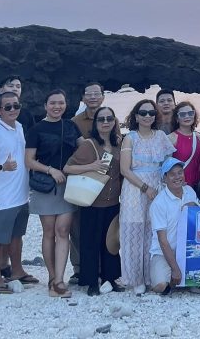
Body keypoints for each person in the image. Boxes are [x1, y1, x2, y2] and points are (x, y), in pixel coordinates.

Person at [0, 90, 36, 293]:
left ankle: (17, 271)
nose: (13, 110)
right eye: (8, 107)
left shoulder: (19, 127)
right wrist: (3, 167)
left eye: (16, 106)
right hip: (1, 198)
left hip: (21, 196)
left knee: (17, 236)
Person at [25, 89, 79, 297]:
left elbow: (84, 148)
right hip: (45, 185)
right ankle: (51, 276)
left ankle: (59, 280)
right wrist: (51, 170)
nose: (57, 107)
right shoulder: (36, 129)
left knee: (63, 230)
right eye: (53, 103)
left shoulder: (71, 126)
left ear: (66, 105)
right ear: (45, 106)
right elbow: (29, 161)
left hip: (68, 185)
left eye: (61, 103)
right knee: (48, 231)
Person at [65, 106, 123, 296]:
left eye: (109, 118)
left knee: (111, 243)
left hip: (113, 202)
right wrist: (91, 166)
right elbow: (68, 168)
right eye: (101, 119)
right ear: (95, 123)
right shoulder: (89, 145)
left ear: (114, 122)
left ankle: (110, 278)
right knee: (90, 243)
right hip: (92, 202)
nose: (106, 122)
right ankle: (91, 282)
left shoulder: (118, 144)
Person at [119, 98, 175, 294]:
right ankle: (136, 279)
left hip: (157, 188)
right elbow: (125, 169)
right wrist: (145, 188)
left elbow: (168, 164)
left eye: (151, 113)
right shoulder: (130, 138)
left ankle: (153, 276)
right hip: (135, 189)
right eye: (143, 113)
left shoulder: (161, 136)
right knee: (134, 231)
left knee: (154, 231)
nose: (147, 116)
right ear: (136, 116)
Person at [149, 157, 200, 296]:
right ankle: (178, 277)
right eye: (172, 174)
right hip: (165, 252)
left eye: (180, 172)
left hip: (189, 250)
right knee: (160, 286)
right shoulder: (158, 203)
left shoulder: (189, 191)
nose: (177, 177)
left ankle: (190, 282)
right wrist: (174, 268)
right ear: (165, 178)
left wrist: (194, 206)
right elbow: (162, 240)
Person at [69, 81, 105, 285]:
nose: (93, 97)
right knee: (77, 226)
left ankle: (101, 266)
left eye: (96, 94)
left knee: (102, 224)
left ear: (103, 97)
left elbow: (114, 145)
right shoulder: (74, 122)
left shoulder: (109, 117)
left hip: (103, 178)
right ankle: (78, 268)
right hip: (80, 178)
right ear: (82, 98)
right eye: (89, 94)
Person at [169, 101, 200, 195]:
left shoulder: (198, 137)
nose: (187, 116)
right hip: (179, 186)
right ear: (177, 118)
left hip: (197, 185)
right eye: (182, 114)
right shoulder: (171, 138)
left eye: (190, 113)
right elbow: (165, 166)